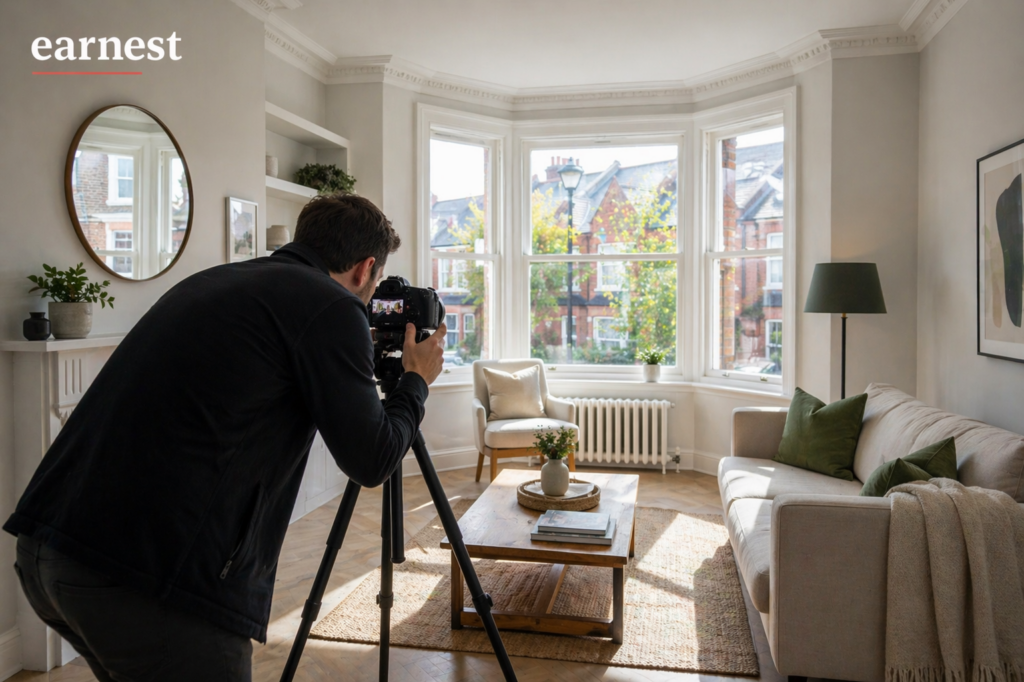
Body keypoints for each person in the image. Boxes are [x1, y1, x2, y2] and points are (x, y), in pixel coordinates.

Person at [4, 194, 446, 681]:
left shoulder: (216, 280)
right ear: (365, 270)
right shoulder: (331, 306)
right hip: (149, 578)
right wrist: (416, 381)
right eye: (376, 284)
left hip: (49, 547)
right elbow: (373, 458)